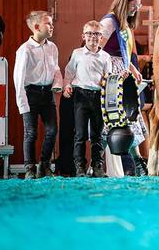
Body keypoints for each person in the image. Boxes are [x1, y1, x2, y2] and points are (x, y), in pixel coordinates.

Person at [100, 0, 148, 176]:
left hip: (124, 74)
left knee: (130, 117)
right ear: (123, 3)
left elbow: (124, 53)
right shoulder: (109, 22)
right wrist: (106, 73)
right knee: (112, 119)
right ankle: (96, 163)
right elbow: (97, 50)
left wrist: (132, 68)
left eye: (138, 5)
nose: (136, 9)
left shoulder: (125, 23)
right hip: (111, 76)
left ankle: (136, 163)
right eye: (133, 5)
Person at [13, 11, 62, 179]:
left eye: (52, 23)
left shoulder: (52, 47)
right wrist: (22, 104)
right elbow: (18, 78)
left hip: (47, 93)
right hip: (30, 94)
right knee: (31, 133)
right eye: (48, 23)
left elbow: (56, 68)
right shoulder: (25, 50)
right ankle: (29, 168)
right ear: (36, 27)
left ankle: (44, 165)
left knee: (52, 130)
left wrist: (57, 84)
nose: (52, 26)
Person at [62, 20, 110, 177]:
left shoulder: (105, 57)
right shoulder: (77, 53)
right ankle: (80, 167)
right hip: (80, 96)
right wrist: (66, 85)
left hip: (98, 97)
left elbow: (108, 78)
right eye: (89, 33)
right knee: (80, 134)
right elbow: (69, 72)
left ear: (101, 37)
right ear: (83, 36)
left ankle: (97, 166)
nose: (93, 37)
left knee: (98, 134)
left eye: (97, 34)